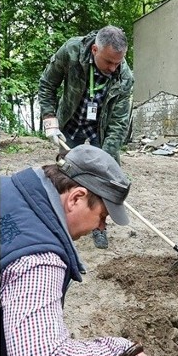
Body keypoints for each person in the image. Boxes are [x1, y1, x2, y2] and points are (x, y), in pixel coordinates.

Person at [0, 144, 158, 356]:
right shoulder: (40, 261)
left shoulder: (14, 187)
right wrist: (122, 355)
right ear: (75, 198)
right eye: (102, 217)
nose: (101, 227)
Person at [38, 25, 134, 249]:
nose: (113, 68)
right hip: (70, 124)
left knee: (107, 182)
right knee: (65, 175)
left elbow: (119, 122)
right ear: (94, 50)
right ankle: (58, 222)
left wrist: (106, 161)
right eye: (108, 62)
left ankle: (99, 226)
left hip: (100, 130)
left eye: (117, 63)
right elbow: (47, 84)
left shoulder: (124, 77)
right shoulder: (71, 51)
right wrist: (50, 119)